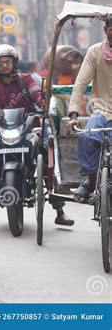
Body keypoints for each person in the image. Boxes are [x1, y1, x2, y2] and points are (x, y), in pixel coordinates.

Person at [0, 44, 73, 226]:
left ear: (14, 62)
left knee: (47, 155)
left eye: (7, 62)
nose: (4, 65)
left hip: (28, 130)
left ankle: (59, 209)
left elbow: (37, 94)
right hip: (2, 132)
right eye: (0, 63)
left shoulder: (27, 80)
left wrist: (42, 102)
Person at [68, 15, 112, 203]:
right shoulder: (95, 52)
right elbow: (79, 85)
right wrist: (73, 115)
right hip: (102, 110)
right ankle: (91, 178)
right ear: (106, 30)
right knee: (87, 136)